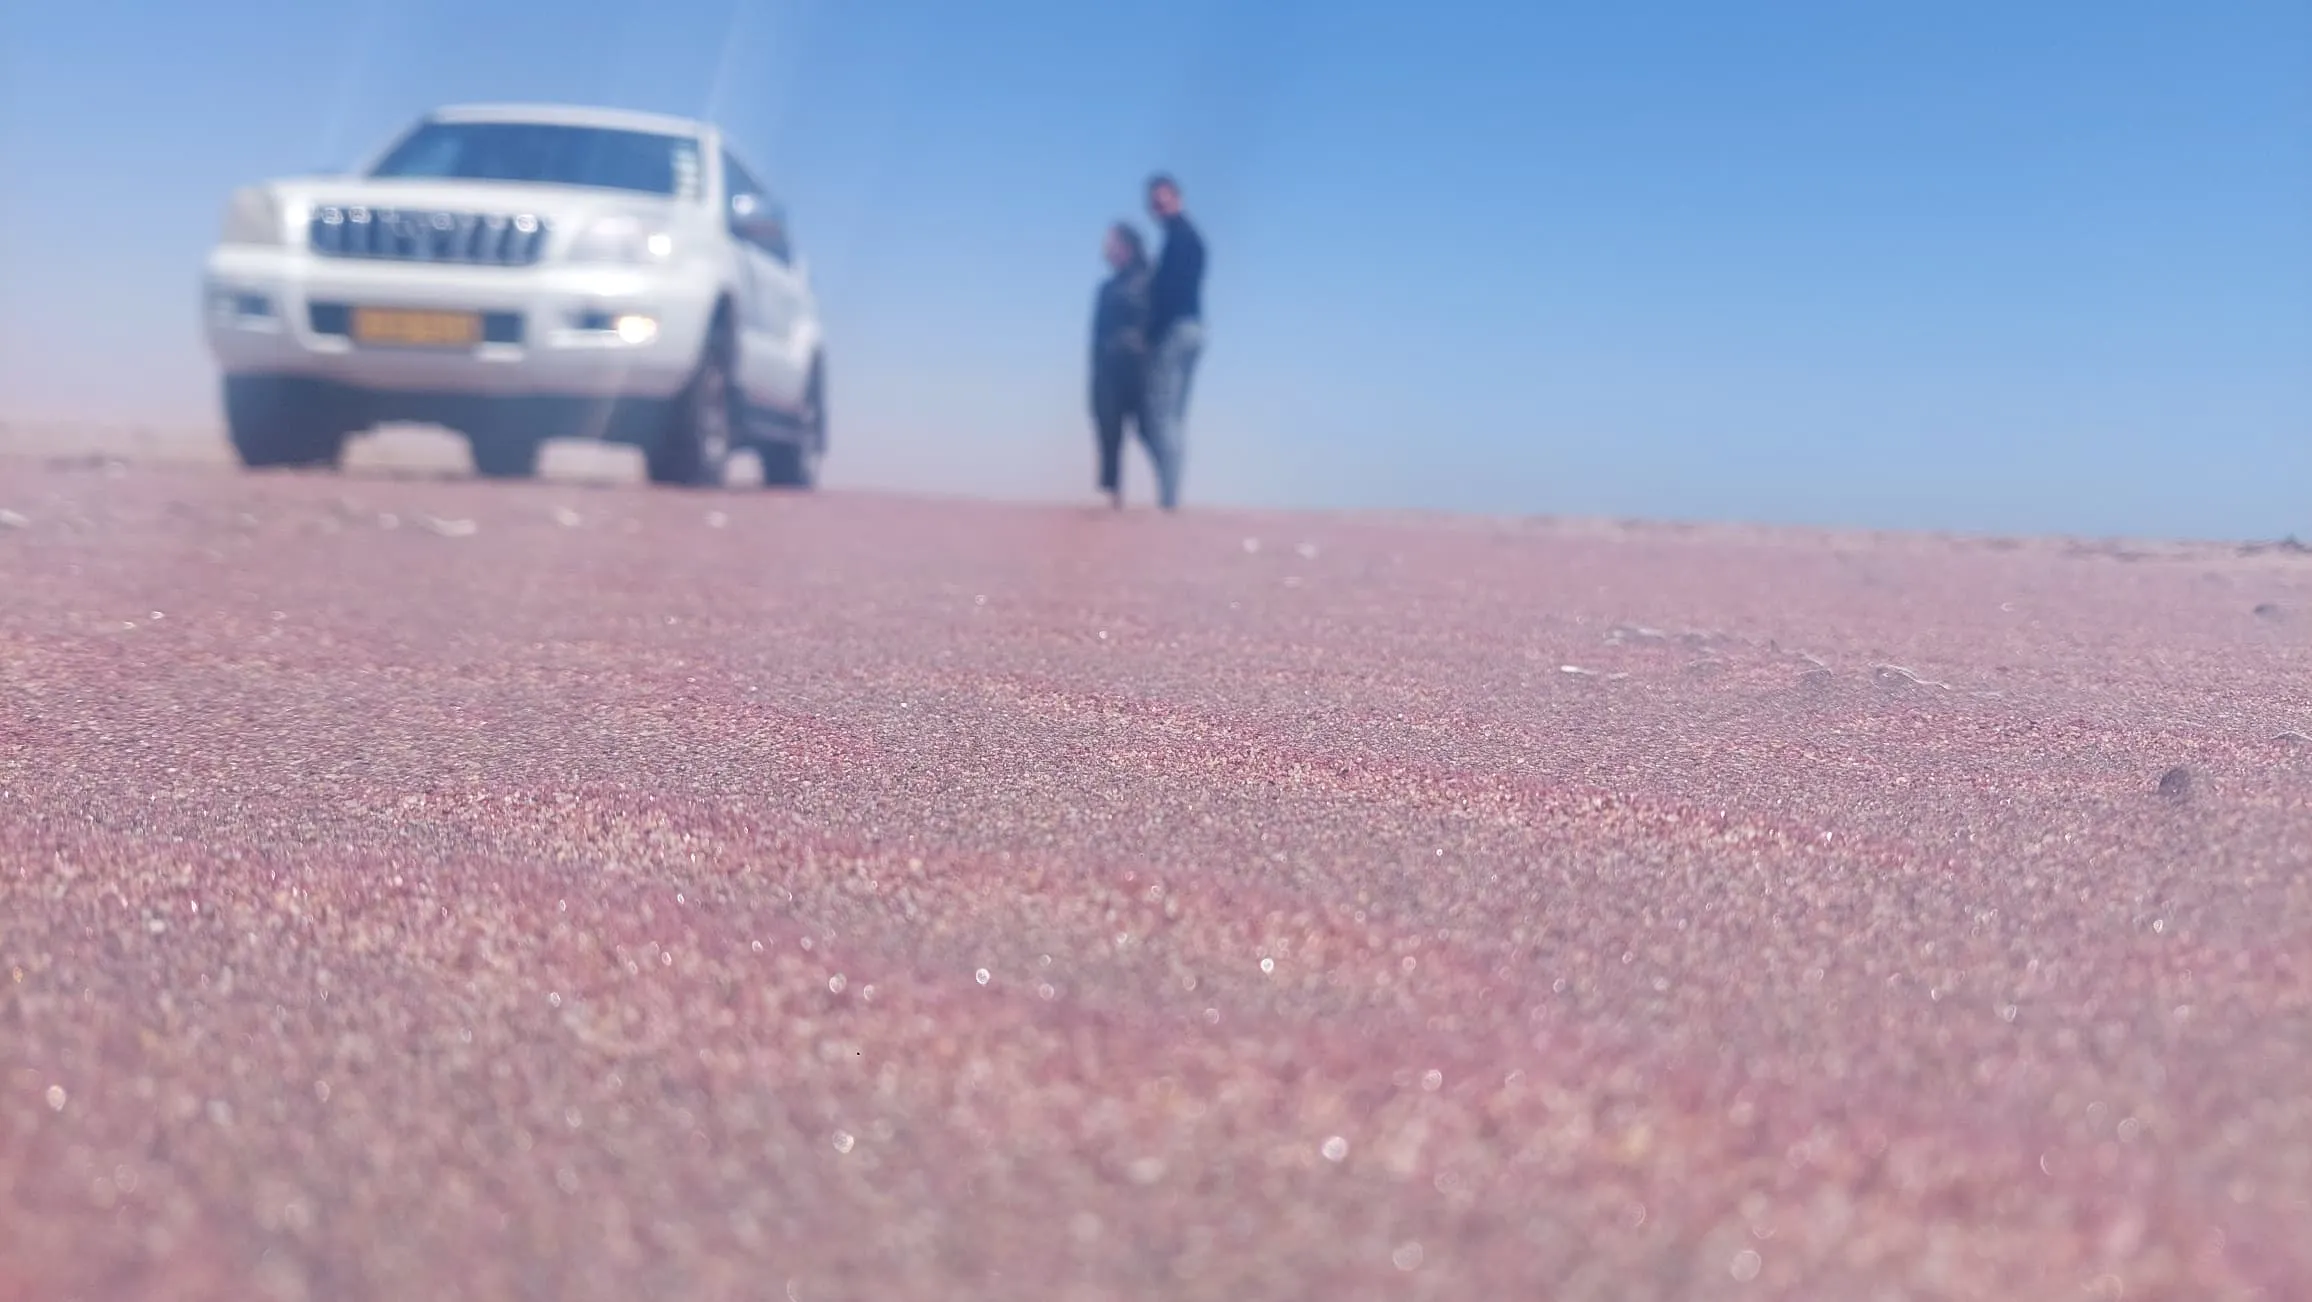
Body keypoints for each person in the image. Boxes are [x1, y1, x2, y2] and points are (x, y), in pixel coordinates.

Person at [1142, 173, 1206, 512]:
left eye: (1162, 199)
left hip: (1177, 331)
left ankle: (1169, 502)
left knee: (1161, 417)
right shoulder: (1184, 237)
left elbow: (1172, 294)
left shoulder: (1181, 239)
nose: (1157, 207)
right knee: (1172, 417)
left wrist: (1152, 334)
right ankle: (1169, 497)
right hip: (1192, 330)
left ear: (1176, 199)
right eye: (1153, 202)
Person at [1088, 222, 1155, 508]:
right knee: (1108, 429)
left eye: (1112, 244)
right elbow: (1096, 334)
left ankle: (1167, 495)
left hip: (1139, 366)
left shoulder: (1149, 281)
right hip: (1107, 368)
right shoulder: (1106, 288)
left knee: (1149, 429)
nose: (1106, 250)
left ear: (1127, 247)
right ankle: (1112, 494)